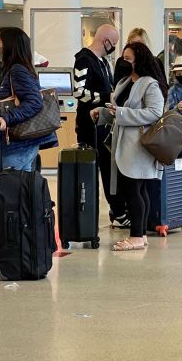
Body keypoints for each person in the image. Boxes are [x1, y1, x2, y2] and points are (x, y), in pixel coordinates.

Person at [0, 28, 58, 274]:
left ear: (10, 45)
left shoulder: (17, 70)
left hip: (18, 146)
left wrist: (8, 119)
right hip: (20, 146)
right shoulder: (19, 68)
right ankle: (10, 254)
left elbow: (33, 103)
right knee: (15, 201)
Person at [94, 42, 166, 251]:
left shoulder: (149, 84)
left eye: (128, 58)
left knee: (135, 190)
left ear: (139, 60)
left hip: (139, 146)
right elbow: (119, 111)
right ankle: (141, 234)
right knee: (135, 190)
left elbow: (155, 113)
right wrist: (103, 113)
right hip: (125, 145)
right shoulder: (125, 82)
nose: (123, 62)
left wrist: (122, 114)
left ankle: (136, 235)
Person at [72, 24, 124, 225]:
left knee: (108, 167)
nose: (114, 48)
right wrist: (104, 96)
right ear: (106, 41)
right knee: (95, 168)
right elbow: (79, 92)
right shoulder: (84, 60)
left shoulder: (103, 62)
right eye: (114, 44)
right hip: (89, 125)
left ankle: (117, 209)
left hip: (103, 123)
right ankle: (107, 211)